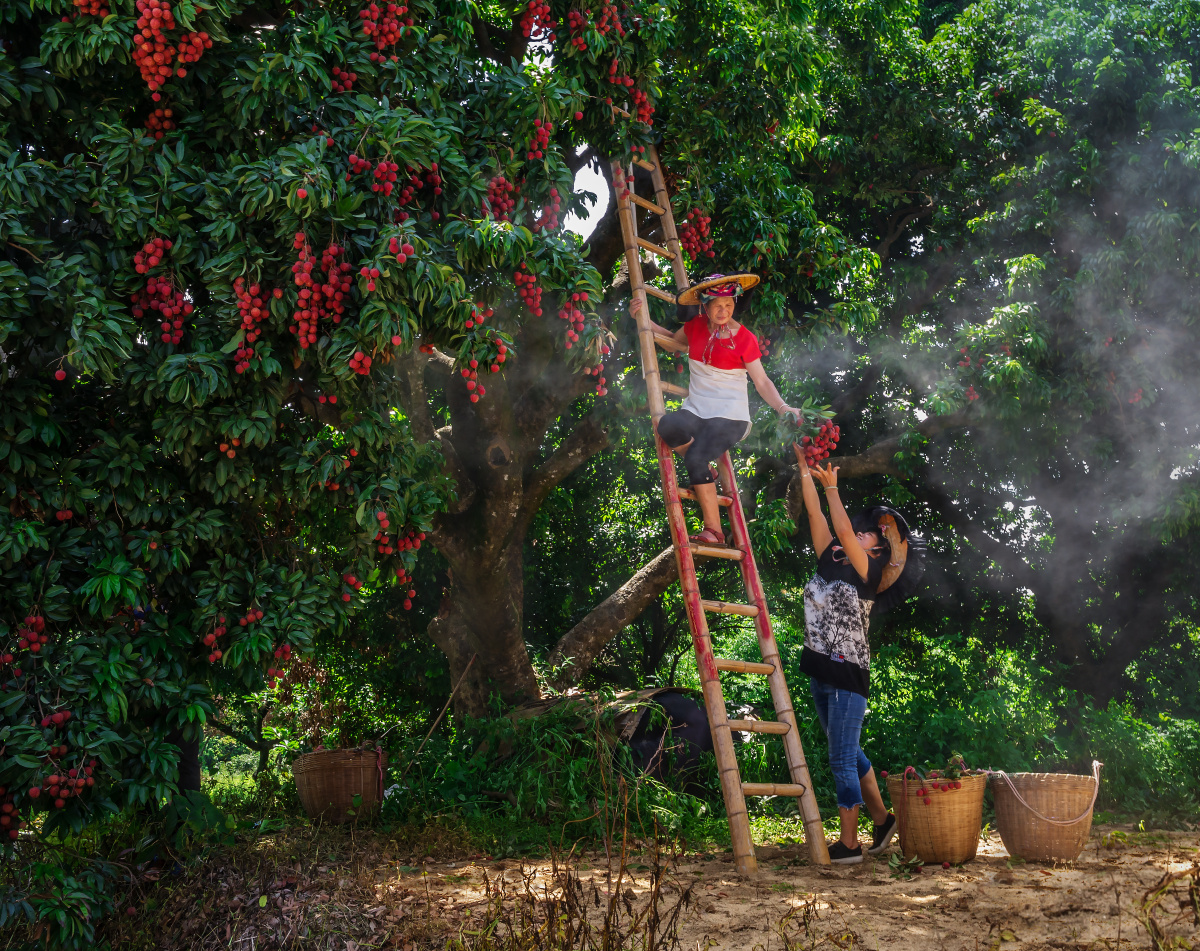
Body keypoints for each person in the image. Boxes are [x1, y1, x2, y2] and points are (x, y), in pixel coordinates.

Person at [792, 444, 926, 863]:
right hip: (819, 667)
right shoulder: (830, 557)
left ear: (877, 551)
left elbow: (845, 533)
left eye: (869, 533)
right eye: (863, 528)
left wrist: (833, 488)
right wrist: (804, 471)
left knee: (840, 759)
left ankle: (849, 846)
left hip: (848, 673)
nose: (861, 530)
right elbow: (816, 517)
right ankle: (883, 821)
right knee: (847, 750)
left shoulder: (868, 573)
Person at [630, 272, 799, 546]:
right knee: (667, 426)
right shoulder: (695, 326)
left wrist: (782, 406)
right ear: (705, 307)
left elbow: (762, 380)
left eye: (729, 304)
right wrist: (641, 319)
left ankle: (714, 531)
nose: (724, 311)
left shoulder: (744, 338)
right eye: (717, 305)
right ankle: (704, 474)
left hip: (731, 417)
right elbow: (671, 341)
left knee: (695, 458)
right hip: (698, 411)